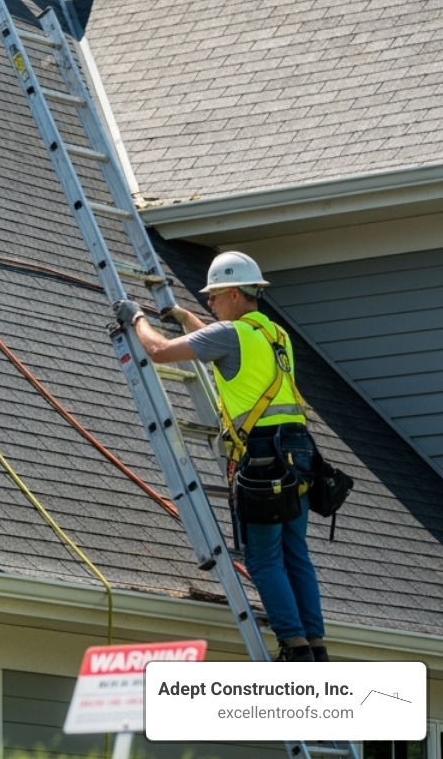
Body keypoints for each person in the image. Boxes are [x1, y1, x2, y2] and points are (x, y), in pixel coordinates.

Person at [114, 250, 327, 662]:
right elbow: (224, 343)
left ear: (231, 293)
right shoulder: (274, 335)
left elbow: (158, 351)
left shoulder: (230, 335)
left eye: (212, 296)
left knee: (263, 558)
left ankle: (293, 646)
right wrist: (185, 318)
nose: (208, 303)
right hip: (299, 453)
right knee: (294, 552)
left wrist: (135, 317)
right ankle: (314, 645)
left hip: (264, 456)